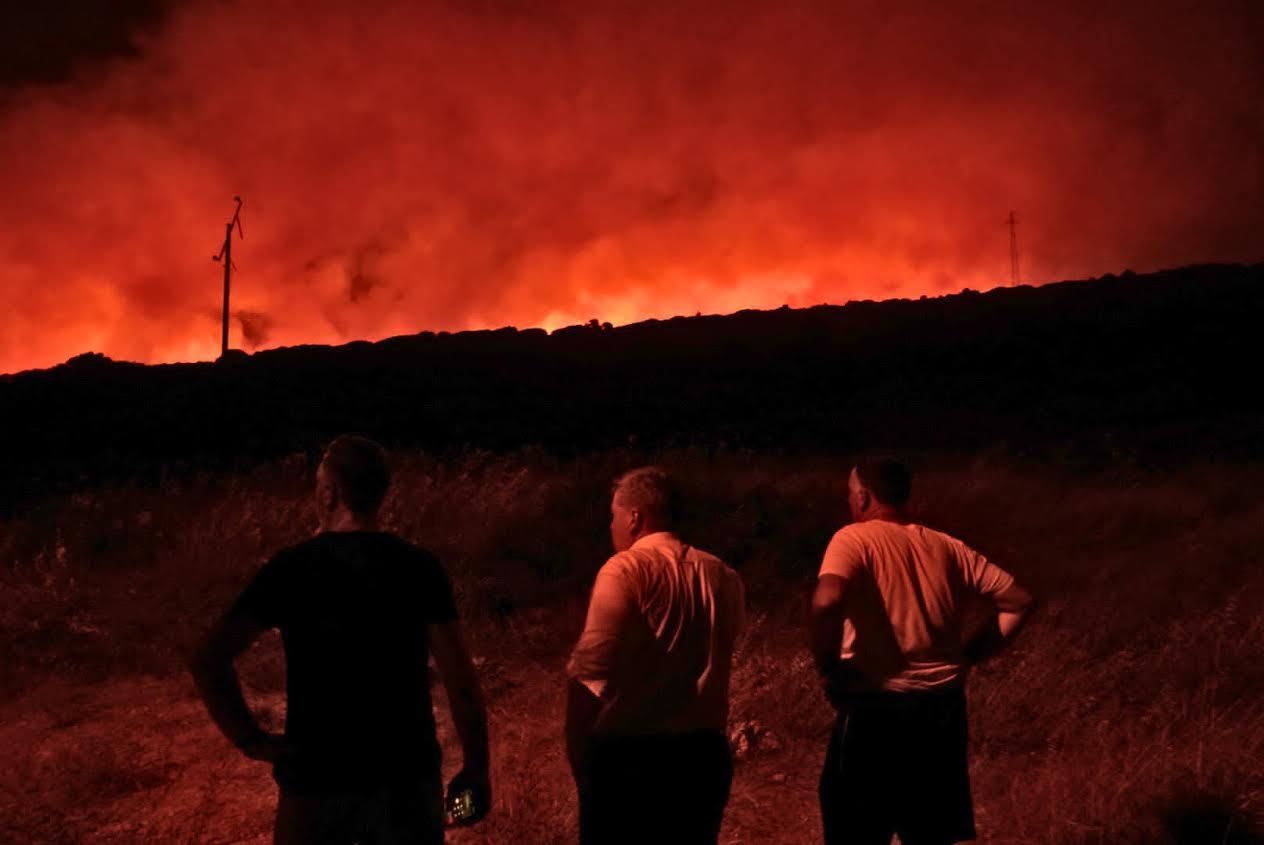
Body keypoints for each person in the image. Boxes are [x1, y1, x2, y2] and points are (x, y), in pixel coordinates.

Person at [190, 434, 490, 844]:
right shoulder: (418, 568)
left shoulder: (291, 569)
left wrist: (251, 740)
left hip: (315, 784)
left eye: (318, 486)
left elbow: (208, 659)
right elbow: (460, 682)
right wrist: (476, 767)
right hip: (404, 780)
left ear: (330, 494)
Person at [810, 456, 1033, 845]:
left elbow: (827, 600)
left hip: (876, 710)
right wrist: (971, 654)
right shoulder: (946, 546)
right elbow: (1018, 600)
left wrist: (829, 667)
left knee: (855, 832)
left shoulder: (852, 539)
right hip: (941, 713)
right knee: (930, 834)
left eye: (850, 493)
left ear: (863, 497)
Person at [566, 467, 746, 845]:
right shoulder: (723, 576)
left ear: (634, 517)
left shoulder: (626, 570)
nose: (611, 525)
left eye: (614, 515)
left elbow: (591, 672)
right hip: (701, 758)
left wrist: (580, 754)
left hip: (634, 760)